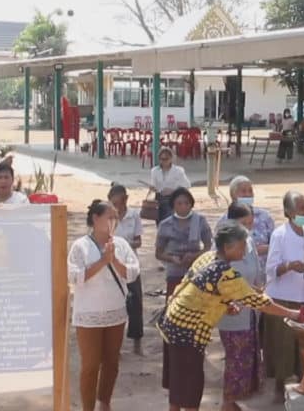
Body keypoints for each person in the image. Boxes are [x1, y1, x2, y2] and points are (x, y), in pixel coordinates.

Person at [158, 223, 300, 411]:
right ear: (228, 248)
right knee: (191, 386)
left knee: (178, 383)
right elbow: (260, 303)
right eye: (241, 247)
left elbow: (198, 290)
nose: (244, 251)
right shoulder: (226, 275)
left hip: (171, 322)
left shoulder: (207, 258)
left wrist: (224, 306)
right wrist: (292, 313)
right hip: (188, 333)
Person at [67, 200, 140, 411]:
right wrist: (102, 261)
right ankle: (87, 407)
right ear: (95, 218)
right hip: (88, 314)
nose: (112, 222)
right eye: (109, 217)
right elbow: (74, 277)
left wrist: (114, 259)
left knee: (111, 362)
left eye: (115, 217)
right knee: (90, 366)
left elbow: (133, 273)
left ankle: (104, 402)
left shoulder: (122, 244)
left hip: (115, 312)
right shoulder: (81, 246)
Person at [263, 191, 304, 403]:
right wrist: (289, 266)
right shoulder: (279, 234)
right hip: (282, 297)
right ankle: (279, 385)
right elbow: (271, 269)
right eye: (301, 209)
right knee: (282, 343)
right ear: (288, 212)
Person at [214, 203, 265, 411]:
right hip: (232, 313)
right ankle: (227, 403)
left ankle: (234, 401)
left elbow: (256, 268)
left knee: (246, 360)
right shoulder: (222, 248)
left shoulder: (248, 240)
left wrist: (258, 286)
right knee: (235, 361)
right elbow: (221, 281)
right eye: (243, 224)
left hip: (251, 311)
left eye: (249, 223)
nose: (247, 228)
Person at [108, 183, 145, 355]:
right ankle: (114, 346)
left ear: (125, 200)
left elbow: (139, 241)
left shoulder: (134, 215)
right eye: (113, 204)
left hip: (131, 264)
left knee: (135, 303)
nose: (116, 207)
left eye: (119, 203)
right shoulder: (107, 217)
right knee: (114, 304)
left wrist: (127, 245)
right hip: (112, 267)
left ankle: (137, 343)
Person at [156, 187, 213, 296]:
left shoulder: (200, 221)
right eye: (179, 204)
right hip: (174, 272)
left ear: (191, 204)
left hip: (196, 270)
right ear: (173, 206)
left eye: (187, 203)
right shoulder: (165, 225)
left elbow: (208, 247)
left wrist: (195, 255)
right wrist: (172, 258)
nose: (183, 207)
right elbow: (158, 253)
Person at [221, 175, 276, 265]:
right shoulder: (225, 220)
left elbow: (275, 243)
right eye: (243, 191)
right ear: (233, 195)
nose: (248, 194)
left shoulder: (264, 216)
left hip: (263, 271)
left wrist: (267, 249)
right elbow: (219, 251)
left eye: (250, 191)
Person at [148, 147, 191, 226]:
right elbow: (154, 185)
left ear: (171, 159)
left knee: (170, 222)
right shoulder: (155, 171)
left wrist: (173, 190)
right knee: (160, 223)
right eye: (161, 159)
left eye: (166, 159)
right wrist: (152, 188)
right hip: (159, 199)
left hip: (172, 199)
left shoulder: (178, 171)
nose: (163, 161)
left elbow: (187, 185)